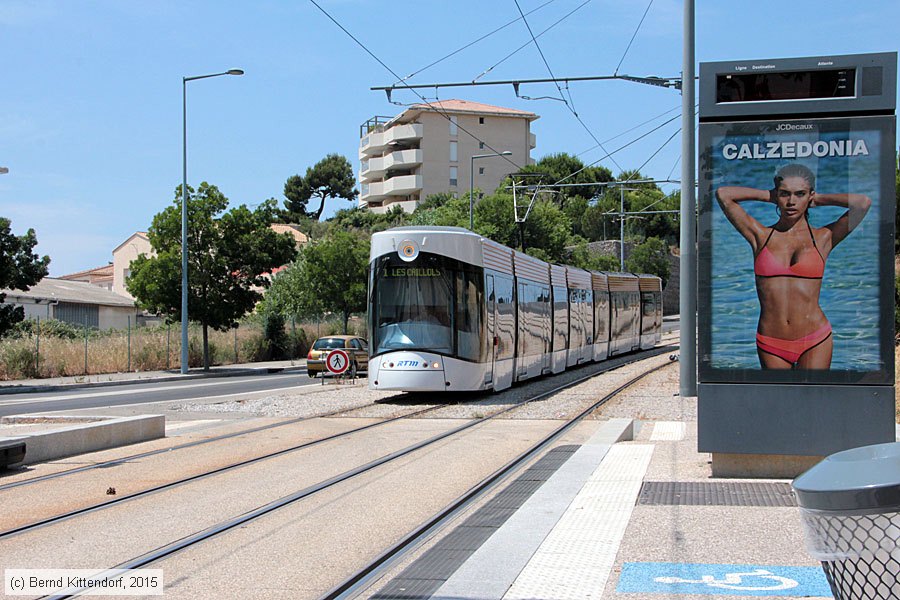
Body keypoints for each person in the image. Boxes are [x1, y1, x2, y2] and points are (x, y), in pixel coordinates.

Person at [716, 164, 871, 369]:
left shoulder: (824, 238)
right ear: (776, 195)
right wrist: (769, 195)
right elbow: (723, 194)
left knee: (814, 400)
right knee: (778, 401)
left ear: (810, 196)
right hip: (771, 341)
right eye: (784, 194)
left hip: (815, 339)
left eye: (800, 194)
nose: (791, 201)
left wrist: (817, 199)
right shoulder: (760, 236)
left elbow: (862, 203)